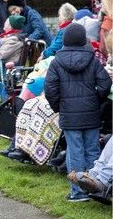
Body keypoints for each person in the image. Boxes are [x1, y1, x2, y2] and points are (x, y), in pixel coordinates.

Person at [44, 23, 111, 202]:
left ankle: (78, 192)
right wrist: (96, 101)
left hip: (69, 115)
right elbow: (105, 84)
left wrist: (59, 107)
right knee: (93, 150)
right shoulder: (93, 60)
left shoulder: (57, 62)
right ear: (84, 40)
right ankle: (96, 188)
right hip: (91, 114)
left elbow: (50, 90)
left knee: (75, 152)